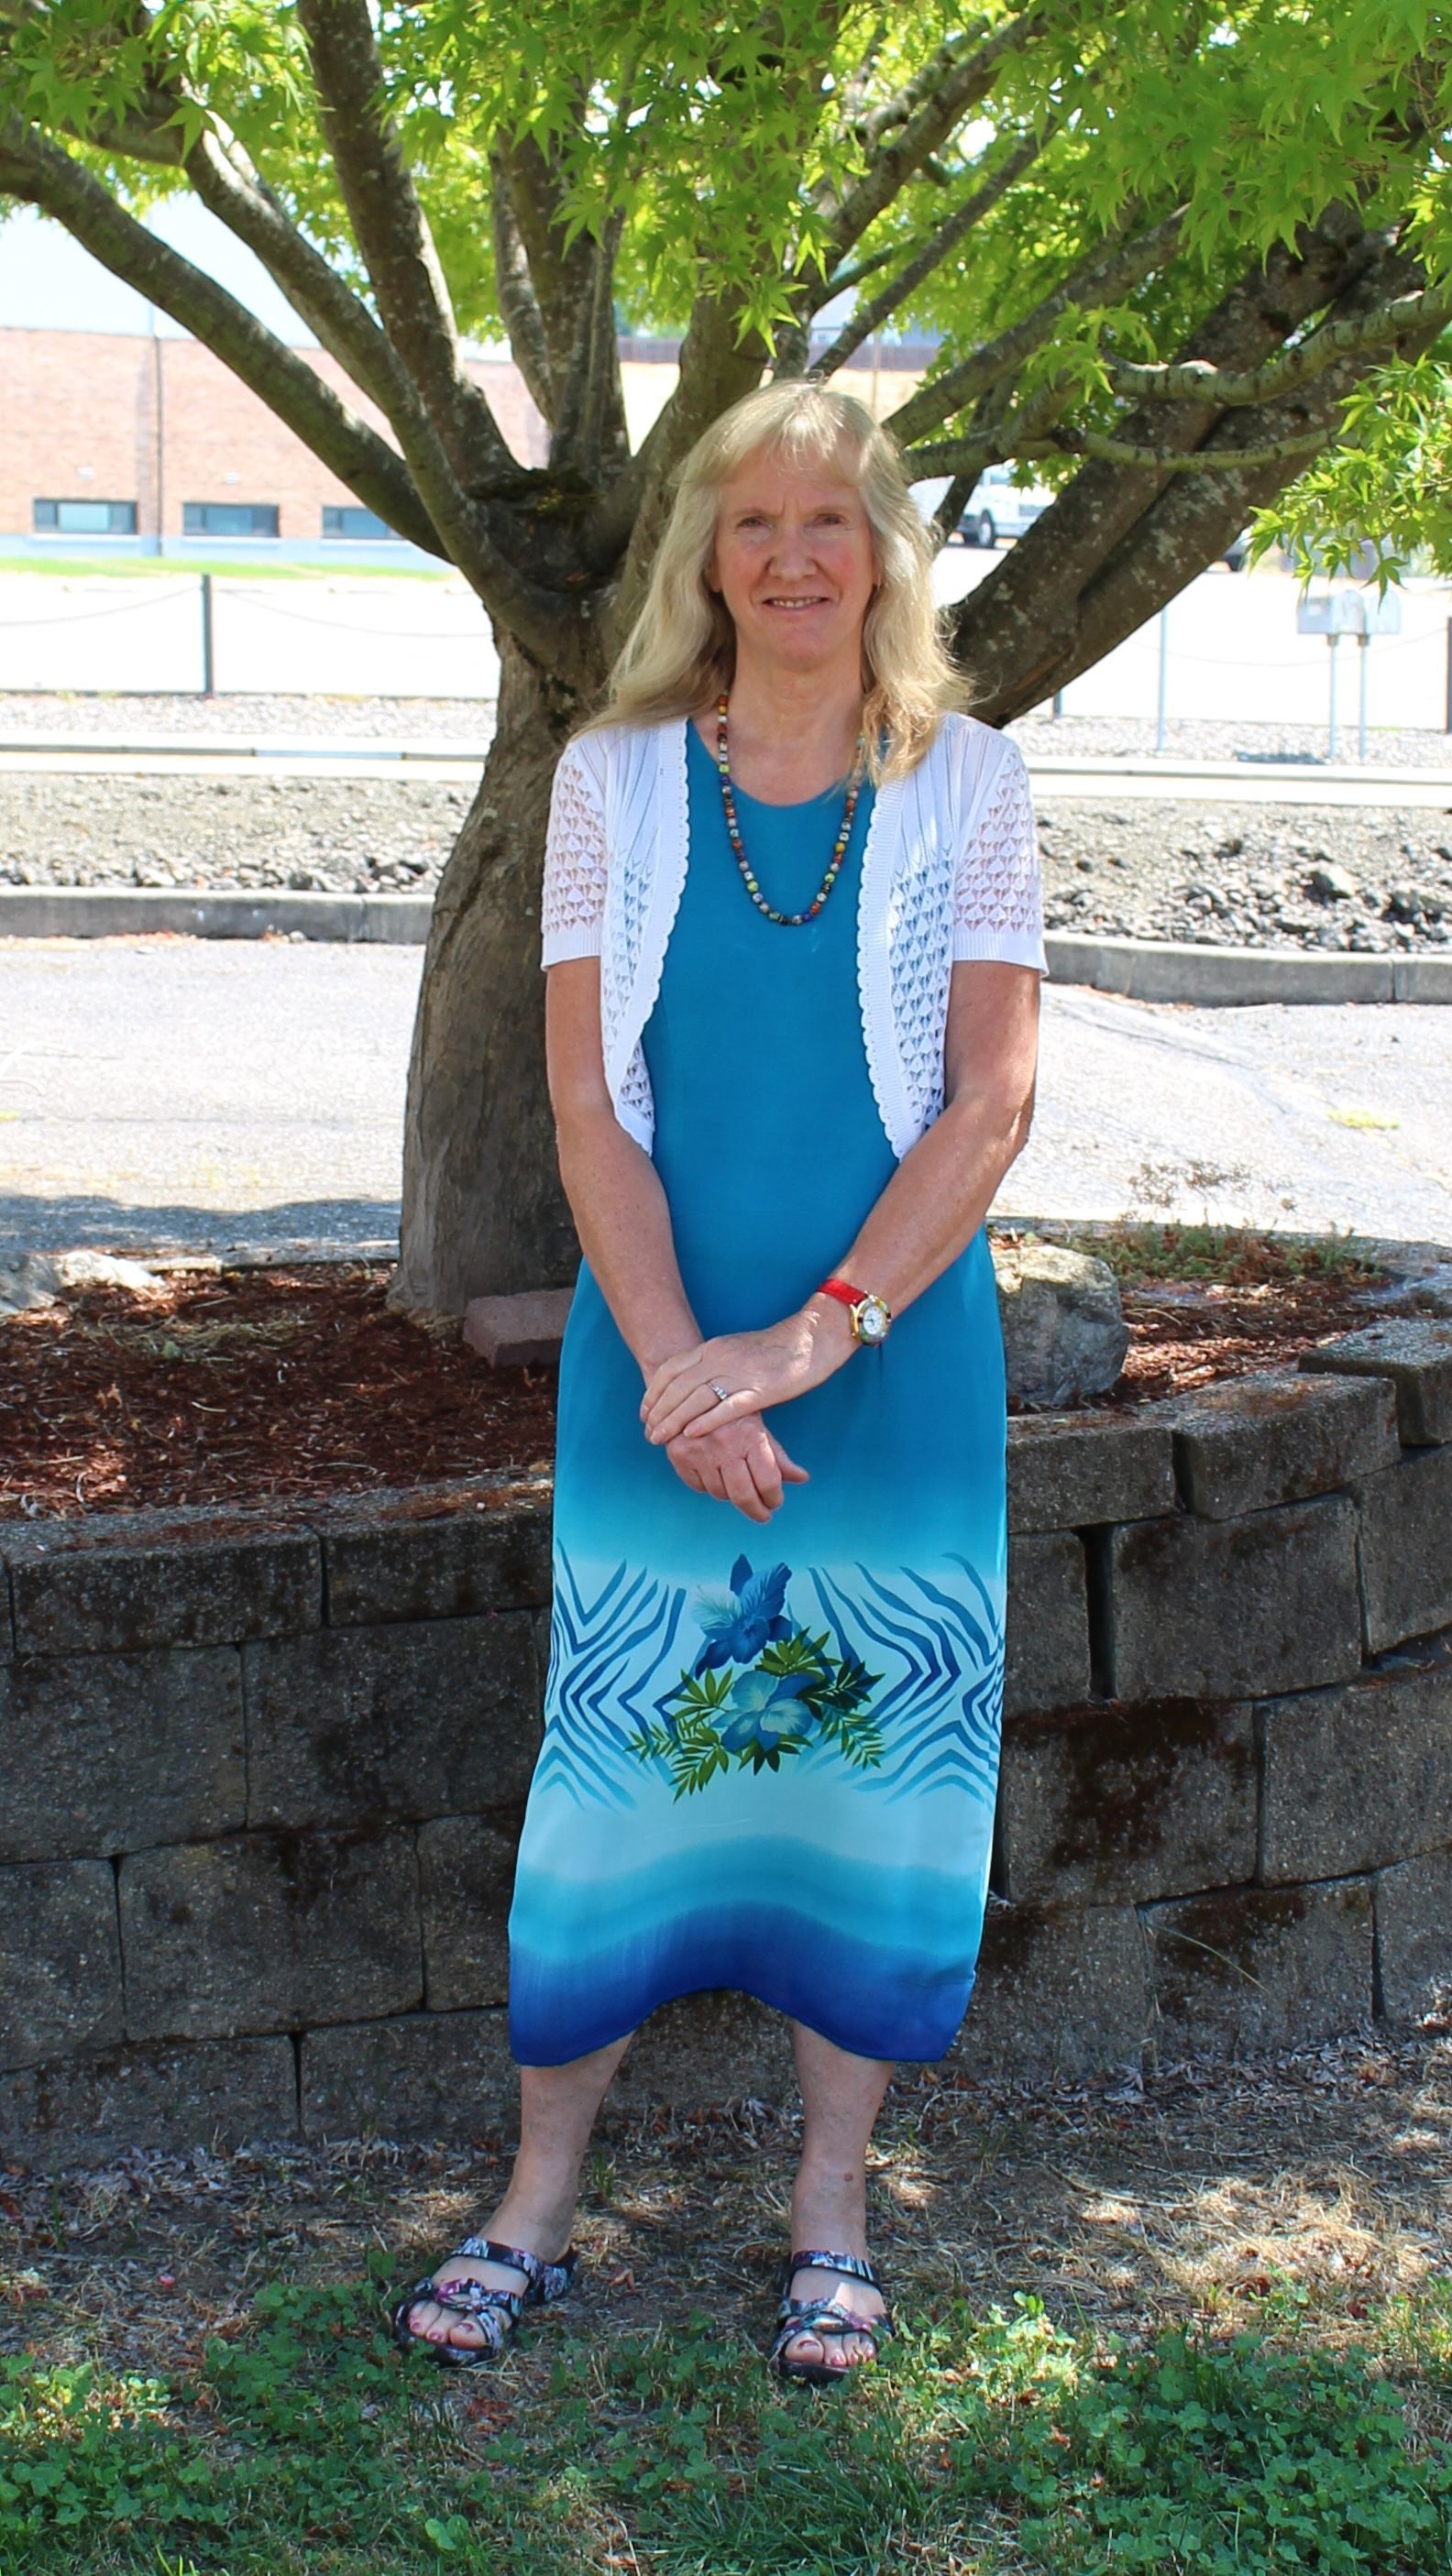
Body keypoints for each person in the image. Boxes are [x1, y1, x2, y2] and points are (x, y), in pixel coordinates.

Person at [395, 379, 1045, 2385]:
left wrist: (807, 1335)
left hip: (893, 1361)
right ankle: (535, 2204)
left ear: (884, 556)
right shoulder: (612, 778)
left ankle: (830, 2213)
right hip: (655, 1361)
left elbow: (996, 1096)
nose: (789, 556)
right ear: (702, 554)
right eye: (750, 523)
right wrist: (687, 1366)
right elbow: (585, 1107)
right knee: (609, 1787)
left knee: (874, 1782)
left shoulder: (973, 779)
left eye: (829, 523)